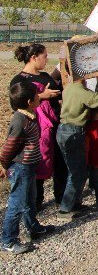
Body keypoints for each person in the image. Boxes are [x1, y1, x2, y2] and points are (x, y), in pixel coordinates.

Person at [10, 44, 66, 209]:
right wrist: (42, 96)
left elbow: (59, 92)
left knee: (59, 162)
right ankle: (36, 202)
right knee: (37, 164)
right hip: (35, 129)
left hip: (54, 125)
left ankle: (61, 197)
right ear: (34, 57)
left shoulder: (45, 76)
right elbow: (16, 105)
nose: (47, 59)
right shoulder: (19, 80)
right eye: (45, 55)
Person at [1, 82, 55, 255]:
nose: (40, 96)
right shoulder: (19, 121)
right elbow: (8, 147)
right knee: (16, 204)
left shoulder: (29, 115)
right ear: (29, 101)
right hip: (20, 168)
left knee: (30, 200)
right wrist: (3, 165)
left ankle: (34, 228)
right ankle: (8, 240)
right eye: (37, 95)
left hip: (29, 166)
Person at [56, 73, 98, 221]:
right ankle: (65, 209)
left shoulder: (70, 88)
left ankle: (74, 203)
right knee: (77, 172)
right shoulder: (82, 92)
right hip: (74, 132)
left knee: (76, 170)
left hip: (64, 130)